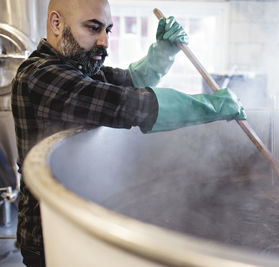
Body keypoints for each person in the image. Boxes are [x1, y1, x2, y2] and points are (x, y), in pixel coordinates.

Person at [11, 0, 246, 266]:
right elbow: (124, 103)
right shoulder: (39, 75)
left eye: (107, 30)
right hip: (49, 235)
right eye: (93, 28)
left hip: (80, 221)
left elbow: (131, 81)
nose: (104, 41)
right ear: (56, 23)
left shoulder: (78, 69)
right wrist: (208, 106)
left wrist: (162, 54)